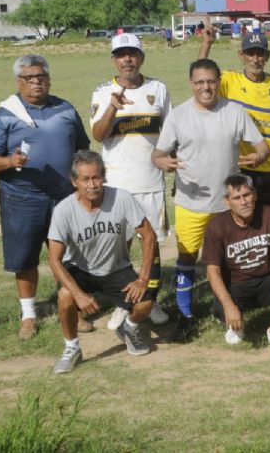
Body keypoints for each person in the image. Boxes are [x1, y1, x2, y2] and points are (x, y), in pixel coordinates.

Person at [152, 59, 269, 342]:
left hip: (226, 205)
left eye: (211, 81)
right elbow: (157, 154)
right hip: (190, 203)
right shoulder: (178, 116)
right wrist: (163, 162)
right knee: (187, 259)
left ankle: (226, 310)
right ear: (192, 83)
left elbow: (262, 146)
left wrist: (259, 156)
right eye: (200, 82)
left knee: (228, 260)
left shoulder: (234, 111)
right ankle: (185, 315)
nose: (206, 87)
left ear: (219, 81)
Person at [0, 54, 90, 340]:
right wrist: (8, 162)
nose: (36, 82)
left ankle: (73, 306)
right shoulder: (6, 114)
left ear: (49, 79)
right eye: (29, 78)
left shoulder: (65, 108)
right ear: (18, 81)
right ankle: (29, 315)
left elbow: (82, 148)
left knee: (68, 255)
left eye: (41, 76)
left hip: (64, 197)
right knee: (25, 259)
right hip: (22, 198)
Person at [48, 151, 158, 374]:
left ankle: (129, 328)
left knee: (145, 303)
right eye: (85, 179)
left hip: (116, 267)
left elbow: (149, 235)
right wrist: (78, 294)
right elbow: (54, 259)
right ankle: (72, 347)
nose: (92, 184)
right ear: (74, 182)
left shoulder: (122, 198)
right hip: (80, 268)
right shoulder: (63, 210)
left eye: (96, 177)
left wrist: (143, 278)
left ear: (104, 177)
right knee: (65, 295)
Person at [90, 33, 171, 331]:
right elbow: (99, 135)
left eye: (132, 54)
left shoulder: (158, 89)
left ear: (141, 57)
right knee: (117, 245)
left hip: (150, 181)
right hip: (116, 182)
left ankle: (150, 297)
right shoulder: (102, 92)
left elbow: (169, 132)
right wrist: (113, 106)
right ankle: (124, 303)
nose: (127, 59)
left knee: (153, 244)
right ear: (113, 60)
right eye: (121, 55)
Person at [200, 27, 270, 227]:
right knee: (244, 223)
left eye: (260, 53)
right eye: (250, 53)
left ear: (267, 56)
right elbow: (202, 77)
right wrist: (206, 44)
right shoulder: (230, 80)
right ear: (241, 55)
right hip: (241, 168)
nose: (255, 59)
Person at [202, 174, 270, 353]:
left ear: (255, 195)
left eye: (246, 195)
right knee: (220, 302)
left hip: (266, 279)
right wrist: (228, 305)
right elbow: (212, 272)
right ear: (226, 201)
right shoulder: (216, 226)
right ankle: (234, 322)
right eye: (237, 198)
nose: (243, 202)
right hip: (236, 285)